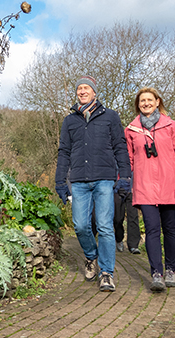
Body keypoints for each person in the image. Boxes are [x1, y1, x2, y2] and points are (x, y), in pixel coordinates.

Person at [55, 76, 133, 292]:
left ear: (94, 92)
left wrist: (125, 177)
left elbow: (119, 146)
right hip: (79, 180)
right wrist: (60, 181)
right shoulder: (70, 121)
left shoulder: (110, 117)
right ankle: (91, 256)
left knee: (105, 225)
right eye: (79, 88)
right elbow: (64, 152)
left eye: (86, 88)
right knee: (80, 225)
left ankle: (106, 272)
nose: (82, 91)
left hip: (105, 179)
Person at [124, 87, 175, 293]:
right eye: (142, 100)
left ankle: (171, 269)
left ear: (157, 102)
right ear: (138, 104)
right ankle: (157, 273)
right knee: (152, 230)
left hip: (169, 185)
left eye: (149, 100)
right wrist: (124, 181)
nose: (145, 103)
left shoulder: (171, 126)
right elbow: (127, 160)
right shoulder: (131, 130)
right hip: (144, 187)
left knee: (169, 229)